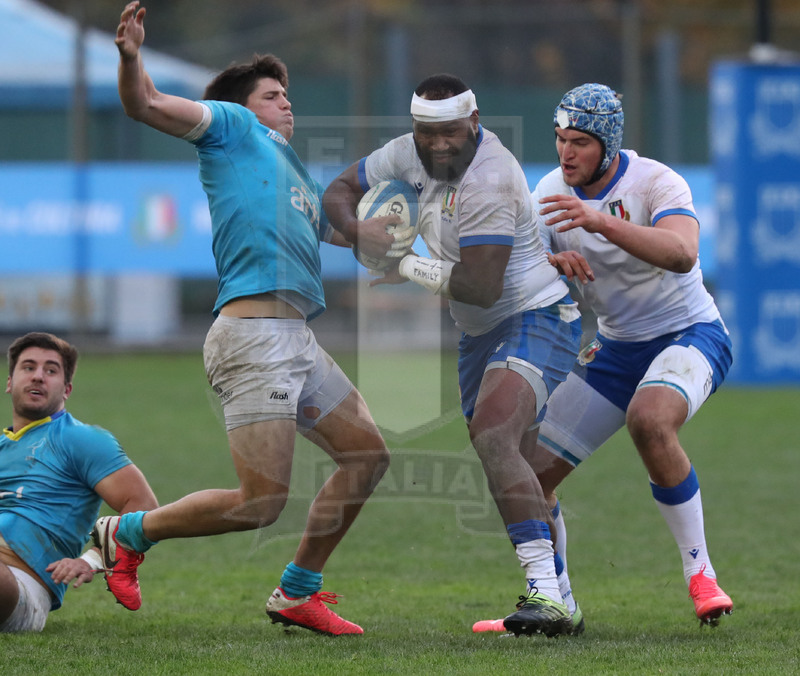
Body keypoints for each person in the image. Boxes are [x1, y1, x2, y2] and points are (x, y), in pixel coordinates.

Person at [96, 2, 390, 636]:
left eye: (288, 95)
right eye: (274, 94)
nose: (288, 104)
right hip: (253, 338)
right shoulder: (230, 126)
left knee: (367, 456)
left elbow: (342, 236)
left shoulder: (293, 174)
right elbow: (142, 104)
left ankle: (296, 593)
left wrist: (383, 234)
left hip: (296, 340)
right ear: (244, 104)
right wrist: (130, 59)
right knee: (261, 504)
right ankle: (128, 531)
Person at [322, 74, 583, 637]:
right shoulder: (404, 152)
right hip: (479, 336)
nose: (438, 144)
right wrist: (359, 230)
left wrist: (403, 261)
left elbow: (482, 285)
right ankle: (562, 601)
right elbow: (338, 190)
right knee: (528, 471)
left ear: (474, 120)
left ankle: (544, 593)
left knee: (493, 435)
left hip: (535, 316)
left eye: (449, 132)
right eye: (426, 133)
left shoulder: (490, 175)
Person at [527, 82, 734, 628]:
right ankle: (558, 603)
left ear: (609, 145)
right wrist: (548, 269)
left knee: (650, 420)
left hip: (690, 334)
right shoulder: (548, 193)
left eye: (579, 142)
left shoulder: (655, 181)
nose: (566, 152)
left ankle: (701, 574)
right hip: (617, 348)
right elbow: (519, 274)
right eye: (559, 138)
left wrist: (602, 222)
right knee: (528, 476)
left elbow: (684, 253)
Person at [0, 332, 158, 633]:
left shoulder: (80, 439)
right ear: (10, 382)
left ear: (67, 389)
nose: (38, 377)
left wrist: (93, 558)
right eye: (28, 367)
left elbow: (144, 506)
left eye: (50, 370)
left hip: (22, 584)